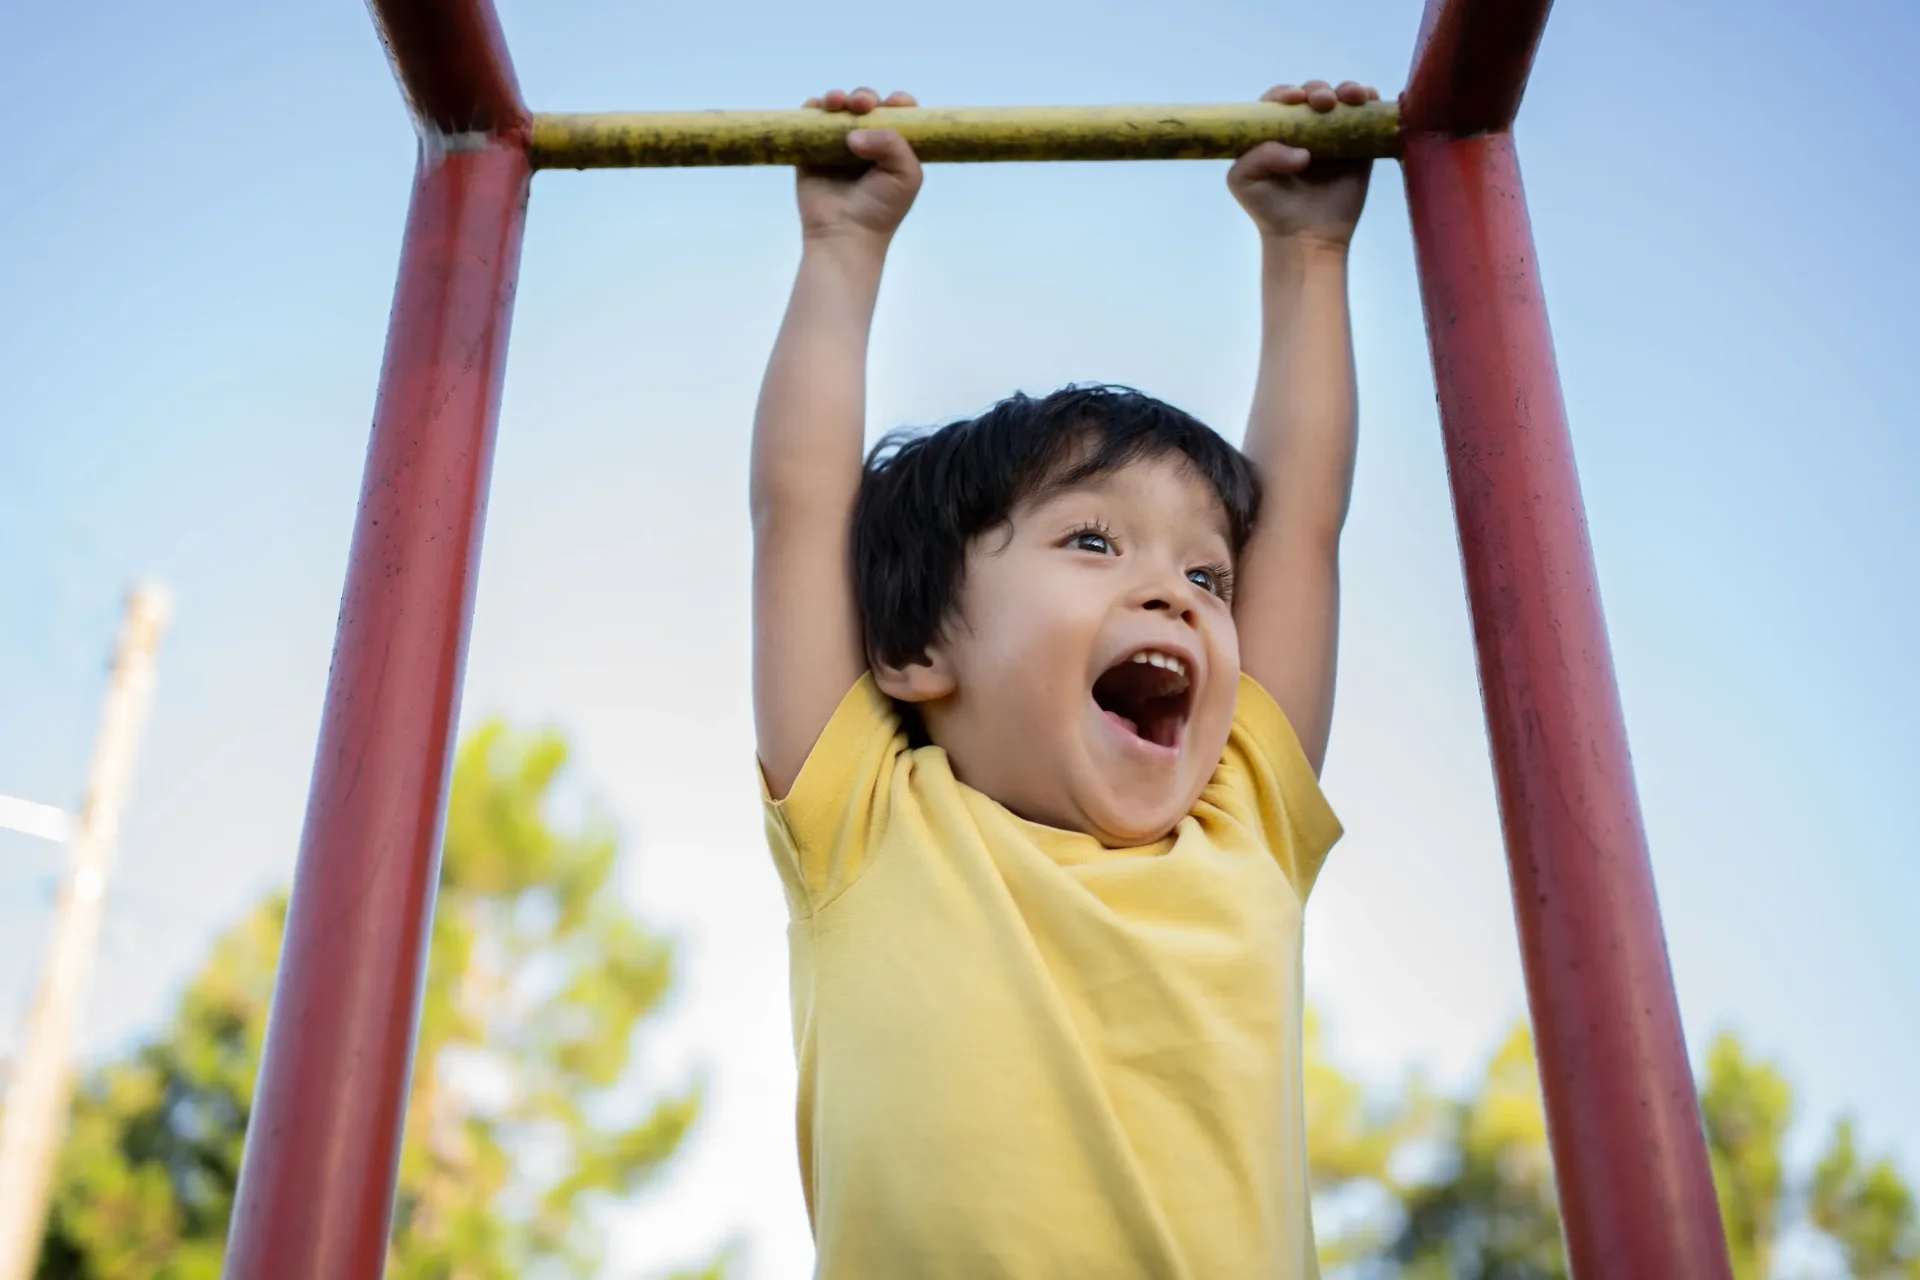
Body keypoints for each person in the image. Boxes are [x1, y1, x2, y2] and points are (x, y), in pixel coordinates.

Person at [751, 79, 1376, 1279]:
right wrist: (841, 247)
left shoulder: (1242, 818)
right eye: (1092, 541)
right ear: (917, 650)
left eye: (1205, 571)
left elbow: (1298, 530)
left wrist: (1308, 254)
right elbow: (801, 513)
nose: (1175, 591)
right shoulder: (870, 825)